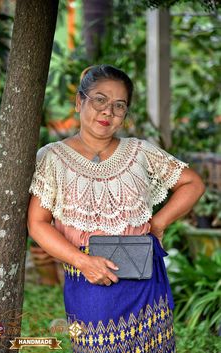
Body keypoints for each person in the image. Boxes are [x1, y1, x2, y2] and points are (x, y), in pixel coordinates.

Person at [27, 64, 205, 353]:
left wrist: (158, 224)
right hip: (89, 280)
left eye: (119, 106)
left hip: (144, 276)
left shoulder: (140, 152)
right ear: (79, 102)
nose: (108, 112)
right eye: (99, 100)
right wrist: (83, 262)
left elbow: (192, 184)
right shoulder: (53, 158)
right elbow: (37, 223)